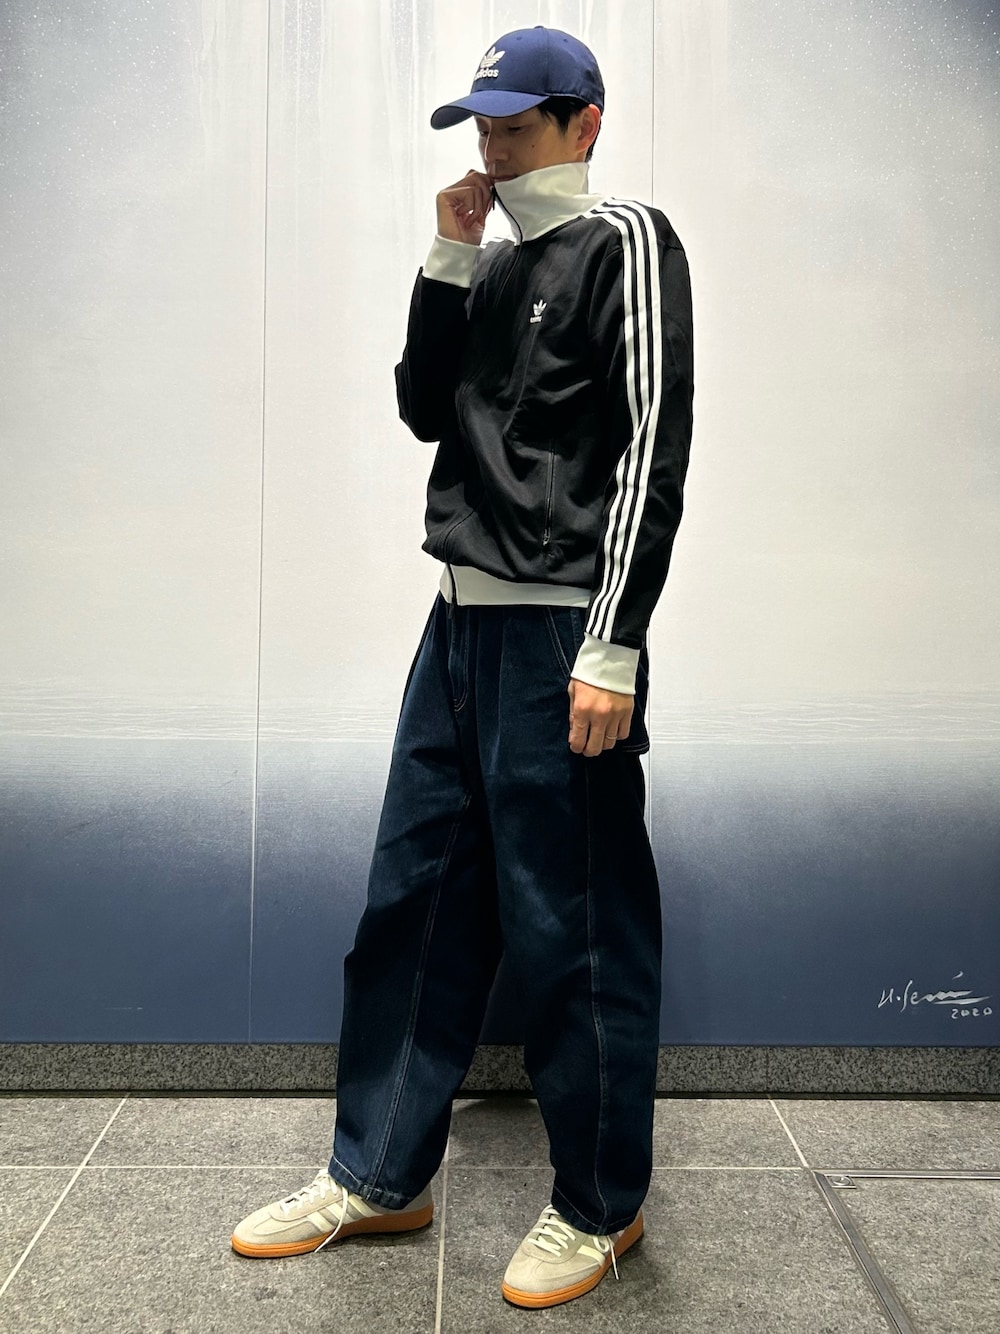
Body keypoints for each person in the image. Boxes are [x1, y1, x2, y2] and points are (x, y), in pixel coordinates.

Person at [231, 25, 693, 1311]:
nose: (494, 144)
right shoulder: (485, 264)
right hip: (456, 624)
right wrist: (446, 254)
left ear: (583, 123)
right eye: (481, 122)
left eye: (517, 122)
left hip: (558, 634)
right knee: (414, 900)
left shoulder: (626, 240)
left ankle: (599, 1203)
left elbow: (654, 443)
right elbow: (424, 409)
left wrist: (613, 640)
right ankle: (378, 1173)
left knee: (574, 922)